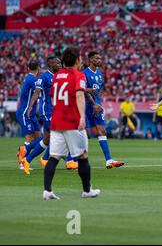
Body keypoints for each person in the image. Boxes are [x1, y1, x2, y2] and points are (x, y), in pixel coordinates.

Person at [43, 46, 100, 200]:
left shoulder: (57, 76)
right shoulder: (78, 75)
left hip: (57, 121)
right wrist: (82, 117)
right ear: (76, 60)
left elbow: (54, 98)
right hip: (72, 120)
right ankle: (87, 190)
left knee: (54, 156)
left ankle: (47, 191)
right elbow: (80, 96)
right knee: (82, 155)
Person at [24, 56, 73, 173]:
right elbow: (37, 92)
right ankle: (70, 160)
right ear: (50, 64)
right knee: (62, 133)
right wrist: (30, 107)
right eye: (58, 63)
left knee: (46, 139)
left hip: (57, 111)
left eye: (61, 63)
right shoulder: (44, 77)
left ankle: (27, 159)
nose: (60, 65)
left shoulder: (59, 76)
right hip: (47, 112)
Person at [83, 52, 124, 169]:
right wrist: (93, 103)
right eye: (97, 58)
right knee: (86, 134)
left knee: (102, 131)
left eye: (100, 58)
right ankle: (72, 160)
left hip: (97, 105)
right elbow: (82, 90)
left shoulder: (100, 74)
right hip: (86, 106)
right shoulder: (84, 73)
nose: (99, 60)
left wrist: (97, 104)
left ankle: (109, 160)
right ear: (90, 59)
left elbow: (97, 91)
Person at [16, 59, 42, 172]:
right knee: (30, 137)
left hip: (30, 114)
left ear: (28, 68)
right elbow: (38, 92)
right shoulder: (33, 80)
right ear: (39, 69)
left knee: (39, 137)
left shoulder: (29, 78)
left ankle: (23, 151)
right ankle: (23, 161)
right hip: (25, 113)